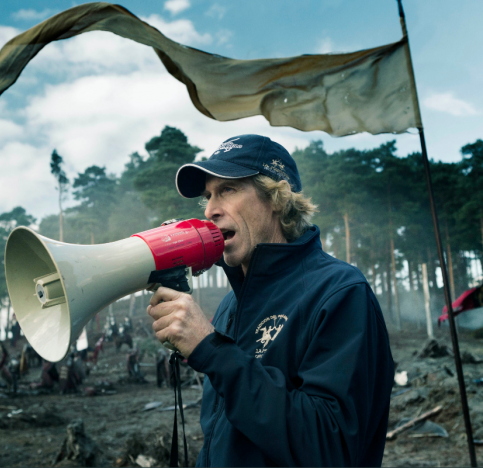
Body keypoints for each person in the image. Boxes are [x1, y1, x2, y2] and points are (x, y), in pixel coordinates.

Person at [147, 134, 394, 466]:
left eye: (228, 190)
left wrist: (212, 351)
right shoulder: (229, 308)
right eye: (208, 195)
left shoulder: (340, 292)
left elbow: (330, 445)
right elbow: (226, 438)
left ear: (277, 197)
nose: (209, 210)